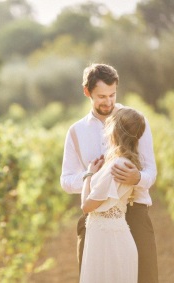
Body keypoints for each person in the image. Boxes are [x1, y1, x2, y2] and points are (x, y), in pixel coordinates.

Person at [60, 63, 158, 283]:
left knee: (146, 278)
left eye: (112, 95)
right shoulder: (76, 131)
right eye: (101, 96)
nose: (108, 102)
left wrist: (138, 178)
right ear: (87, 92)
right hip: (96, 218)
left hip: (135, 212)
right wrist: (96, 179)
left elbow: (151, 170)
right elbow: (66, 181)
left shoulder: (136, 120)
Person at [80, 107, 145, 282]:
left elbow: (86, 206)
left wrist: (88, 175)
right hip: (112, 239)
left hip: (107, 244)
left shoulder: (116, 166)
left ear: (114, 130)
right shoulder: (127, 162)